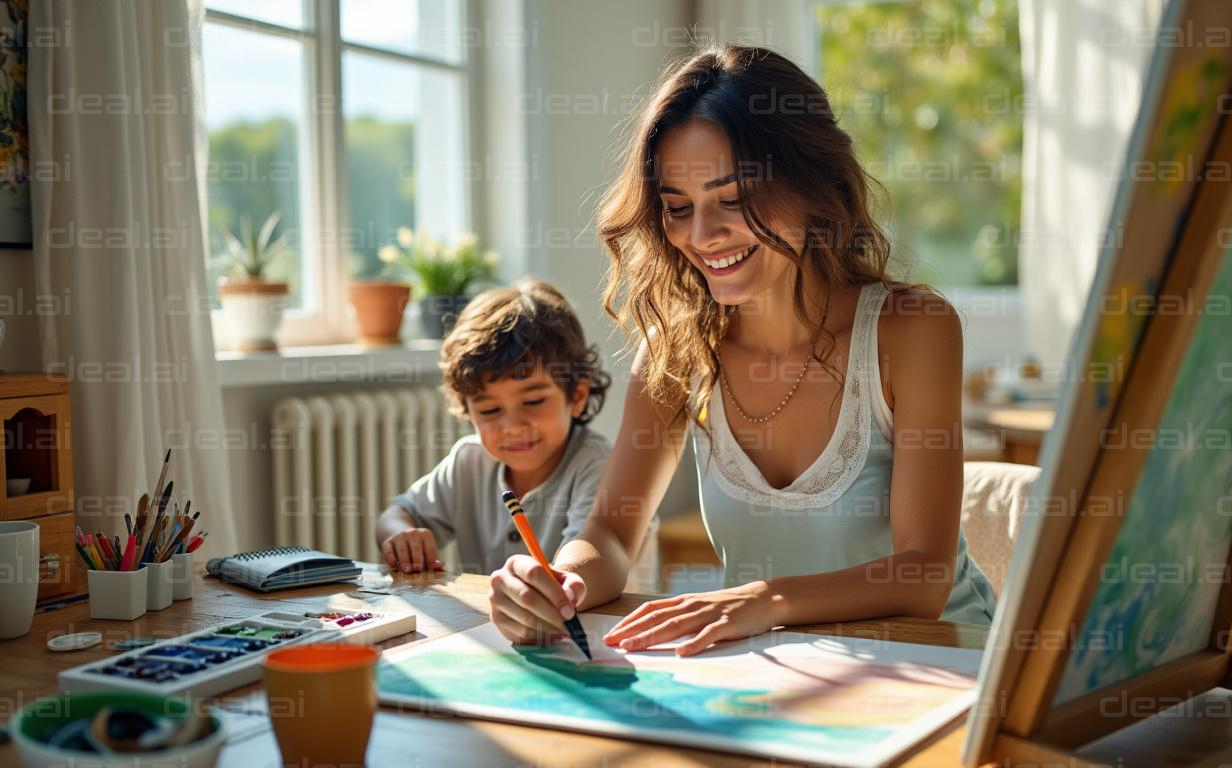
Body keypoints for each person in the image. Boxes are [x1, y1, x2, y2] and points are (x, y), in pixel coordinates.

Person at [487, 45, 997, 656]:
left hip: (942, 664)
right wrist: (561, 578)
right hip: (775, 675)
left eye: (733, 200)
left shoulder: (912, 329)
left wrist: (764, 600)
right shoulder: (677, 353)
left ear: (814, 184)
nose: (702, 236)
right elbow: (613, 533)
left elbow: (924, 575)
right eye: (678, 207)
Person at [375, 279, 623, 577]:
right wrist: (401, 536)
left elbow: (589, 558)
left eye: (533, 401)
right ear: (468, 411)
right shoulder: (469, 460)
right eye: (490, 409)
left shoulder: (597, 465)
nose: (512, 426)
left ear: (577, 396)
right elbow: (397, 515)